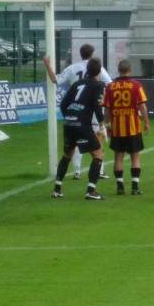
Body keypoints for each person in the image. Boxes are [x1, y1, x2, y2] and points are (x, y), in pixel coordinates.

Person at [44, 44, 113, 180]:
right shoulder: (98, 67)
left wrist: (47, 64)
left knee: (75, 141)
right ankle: (100, 170)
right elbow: (110, 84)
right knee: (97, 137)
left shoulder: (72, 68)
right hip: (92, 107)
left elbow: (55, 79)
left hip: (75, 109)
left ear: (80, 54)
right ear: (92, 54)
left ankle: (77, 170)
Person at [53, 57, 107, 200]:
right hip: (83, 124)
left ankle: (57, 189)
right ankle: (91, 191)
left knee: (67, 154)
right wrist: (102, 125)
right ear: (99, 71)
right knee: (99, 155)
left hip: (69, 122)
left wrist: (70, 117)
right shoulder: (98, 85)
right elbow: (97, 107)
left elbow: (63, 104)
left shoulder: (77, 83)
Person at [103, 59, 150, 195]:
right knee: (135, 156)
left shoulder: (110, 87)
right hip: (133, 127)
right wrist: (146, 122)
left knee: (118, 156)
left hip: (117, 128)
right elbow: (142, 105)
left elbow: (107, 110)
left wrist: (107, 125)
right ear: (130, 70)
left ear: (118, 70)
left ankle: (120, 187)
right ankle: (135, 187)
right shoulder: (136, 85)